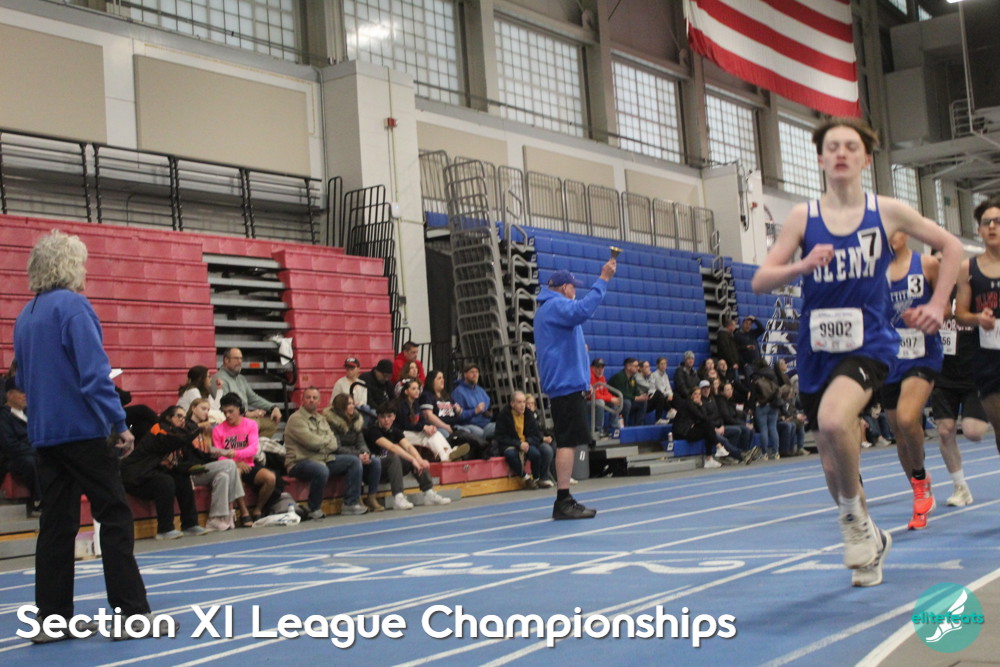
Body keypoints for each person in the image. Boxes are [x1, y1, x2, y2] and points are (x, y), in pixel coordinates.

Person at [752, 117, 963, 588]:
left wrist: (936, 304)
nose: (841, 153)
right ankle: (871, 539)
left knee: (833, 421)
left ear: (866, 159)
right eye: (833, 147)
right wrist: (802, 265)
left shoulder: (886, 211)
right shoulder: (803, 217)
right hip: (816, 350)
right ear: (821, 159)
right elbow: (761, 279)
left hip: (869, 342)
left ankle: (851, 520)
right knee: (831, 459)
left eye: (851, 146)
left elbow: (951, 247)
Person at [13, 230, 153, 641]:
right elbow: (94, 375)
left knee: (56, 526)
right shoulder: (74, 307)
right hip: (82, 432)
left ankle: (51, 619)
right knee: (114, 515)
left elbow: (22, 378)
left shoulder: (26, 315)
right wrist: (119, 423)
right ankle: (131, 614)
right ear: (70, 265)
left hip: (45, 434)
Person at [535, 263, 615, 520]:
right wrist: (603, 279)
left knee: (568, 441)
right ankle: (563, 499)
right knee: (567, 442)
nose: (575, 292)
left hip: (567, 384)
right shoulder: (556, 306)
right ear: (565, 288)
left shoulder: (550, 309)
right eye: (573, 288)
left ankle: (564, 497)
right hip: (565, 385)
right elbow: (583, 310)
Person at [882, 230, 945, 530]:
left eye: (894, 230)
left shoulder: (927, 264)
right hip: (889, 359)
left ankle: (920, 479)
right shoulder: (874, 274)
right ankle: (920, 494)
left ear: (905, 233)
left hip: (922, 354)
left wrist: (925, 314)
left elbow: (945, 308)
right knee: (899, 431)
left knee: (908, 419)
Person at [929, 293, 987, 507]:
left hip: (975, 375)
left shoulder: (973, 291)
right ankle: (960, 487)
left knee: (973, 432)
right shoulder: (935, 292)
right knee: (945, 431)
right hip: (944, 374)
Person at [955, 196, 1000, 463]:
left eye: (998, 221)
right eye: (987, 222)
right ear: (980, 230)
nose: (992, 226)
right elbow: (960, 315)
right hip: (988, 362)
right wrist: (977, 318)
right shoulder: (967, 268)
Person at [120, 406, 208, 540]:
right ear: (168, 418)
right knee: (165, 481)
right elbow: (187, 434)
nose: (183, 420)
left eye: (184, 417)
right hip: (135, 478)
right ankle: (165, 529)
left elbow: (176, 462)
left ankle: (190, 524)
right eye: (179, 416)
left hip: (151, 474)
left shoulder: (178, 437)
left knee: (182, 478)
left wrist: (190, 468)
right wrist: (197, 425)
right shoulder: (160, 430)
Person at [284, 387, 367, 519]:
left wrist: (322, 443)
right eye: (308, 397)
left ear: (319, 401)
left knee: (353, 461)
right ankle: (314, 508)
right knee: (321, 469)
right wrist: (325, 442)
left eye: (314, 398)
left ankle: (350, 504)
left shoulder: (322, 419)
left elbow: (334, 444)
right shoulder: (296, 419)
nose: (311, 400)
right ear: (302, 400)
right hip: (299, 462)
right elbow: (311, 442)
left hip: (323, 459)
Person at [364, 402, 453, 510]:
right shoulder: (372, 430)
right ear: (378, 417)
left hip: (390, 469)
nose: (386, 420)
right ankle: (398, 497)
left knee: (415, 458)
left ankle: (428, 493)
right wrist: (413, 460)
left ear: (394, 417)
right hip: (374, 469)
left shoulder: (395, 431)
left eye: (389, 416)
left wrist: (419, 460)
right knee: (395, 457)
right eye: (383, 417)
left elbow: (409, 447)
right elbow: (392, 447)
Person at [213, 392, 277, 525]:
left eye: (231, 411)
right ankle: (244, 512)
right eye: (224, 412)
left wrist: (236, 455)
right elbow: (220, 455)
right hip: (232, 466)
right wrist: (235, 463)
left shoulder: (251, 424)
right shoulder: (218, 430)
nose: (227, 415)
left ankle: (258, 509)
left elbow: (253, 448)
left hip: (249, 463)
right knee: (236, 472)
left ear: (239, 409)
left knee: (270, 478)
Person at [183, 397, 247, 531]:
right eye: (203, 408)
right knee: (229, 464)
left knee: (223, 476)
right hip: (191, 470)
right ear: (193, 408)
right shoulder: (187, 426)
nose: (206, 412)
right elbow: (189, 439)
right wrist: (223, 452)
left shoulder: (203, 430)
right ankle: (230, 509)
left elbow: (206, 451)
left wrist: (222, 452)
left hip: (204, 468)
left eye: (208, 409)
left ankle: (215, 518)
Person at [324, 393, 384, 512]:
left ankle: (371, 497)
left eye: (352, 403)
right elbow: (336, 447)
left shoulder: (356, 419)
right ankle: (353, 500)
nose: (353, 406)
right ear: (341, 406)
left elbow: (361, 442)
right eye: (349, 404)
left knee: (375, 461)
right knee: (354, 461)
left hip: (354, 453)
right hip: (335, 456)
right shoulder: (331, 423)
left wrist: (366, 453)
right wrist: (358, 455)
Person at [394, 378, 469, 462]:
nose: (417, 391)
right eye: (413, 389)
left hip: (414, 431)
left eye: (418, 388)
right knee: (429, 437)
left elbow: (422, 420)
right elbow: (406, 425)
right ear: (406, 391)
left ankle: (450, 453)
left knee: (436, 433)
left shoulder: (415, 404)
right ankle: (445, 457)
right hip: (402, 434)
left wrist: (429, 427)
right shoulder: (401, 405)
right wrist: (423, 427)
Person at [217, 347, 283, 438]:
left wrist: (273, 407)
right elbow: (224, 406)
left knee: (271, 424)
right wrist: (247, 414)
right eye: (236, 358)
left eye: (241, 359)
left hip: (245, 417)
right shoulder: (219, 379)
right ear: (226, 360)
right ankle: (248, 444)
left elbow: (253, 398)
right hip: (232, 419)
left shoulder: (241, 378)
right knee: (256, 424)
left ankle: (253, 444)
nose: (240, 362)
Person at [495, 391, 554, 489]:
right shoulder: (503, 415)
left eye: (523, 402)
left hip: (526, 442)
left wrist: (527, 442)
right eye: (519, 402)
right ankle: (525, 478)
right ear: (512, 404)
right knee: (510, 454)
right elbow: (501, 437)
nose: (523, 405)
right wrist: (519, 444)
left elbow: (535, 434)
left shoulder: (528, 414)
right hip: (511, 444)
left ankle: (537, 479)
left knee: (537, 453)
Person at [0, 375, 41, 515]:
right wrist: (34, 450)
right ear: (10, 395)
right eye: (21, 392)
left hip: (32, 452)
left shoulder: (30, 413)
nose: (25, 396)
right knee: (30, 461)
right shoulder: (3, 416)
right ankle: (38, 501)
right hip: (12, 459)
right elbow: (9, 445)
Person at [451, 364, 496, 440]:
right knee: (481, 433)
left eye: (477, 372)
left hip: (486, 424)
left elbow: (489, 409)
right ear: (465, 375)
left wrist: (488, 413)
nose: (475, 374)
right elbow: (457, 417)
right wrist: (475, 411)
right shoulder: (458, 392)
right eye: (472, 372)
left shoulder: (481, 390)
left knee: (504, 427)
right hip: (469, 425)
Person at [607, 358, 648, 426]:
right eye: (636, 366)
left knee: (643, 402)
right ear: (628, 367)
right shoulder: (619, 376)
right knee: (627, 403)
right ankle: (624, 425)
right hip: (615, 401)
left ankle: (638, 425)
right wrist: (635, 398)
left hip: (628, 400)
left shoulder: (632, 378)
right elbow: (622, 394)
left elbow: (636, 391)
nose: (638, 368)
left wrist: (641, 396)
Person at [588, 358, 620, 432]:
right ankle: (598, 430)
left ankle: (614, 427)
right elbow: (592, 395)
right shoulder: (588, 377)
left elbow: (605, 392)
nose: (600, 370)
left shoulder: (602, 377)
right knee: (600, 402)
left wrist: (613, 398)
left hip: (598, 400)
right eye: (598, 368)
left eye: (602, 368)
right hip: (586, 403)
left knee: (615, 402)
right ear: (592, 368)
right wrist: (610, 399)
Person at [649, 357, 674, 422]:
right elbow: (652, 389)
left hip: (663, 395)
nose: (663, 366)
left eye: (665, 364)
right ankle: (660, 417)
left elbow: (668, 387)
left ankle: (674, 419)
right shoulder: (653, 375)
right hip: (655, 396)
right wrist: (666, 394)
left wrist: (670, 394)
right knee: (660, 396)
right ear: (658, 365)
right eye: (661, 364)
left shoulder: (665, 375)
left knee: (675, 397)